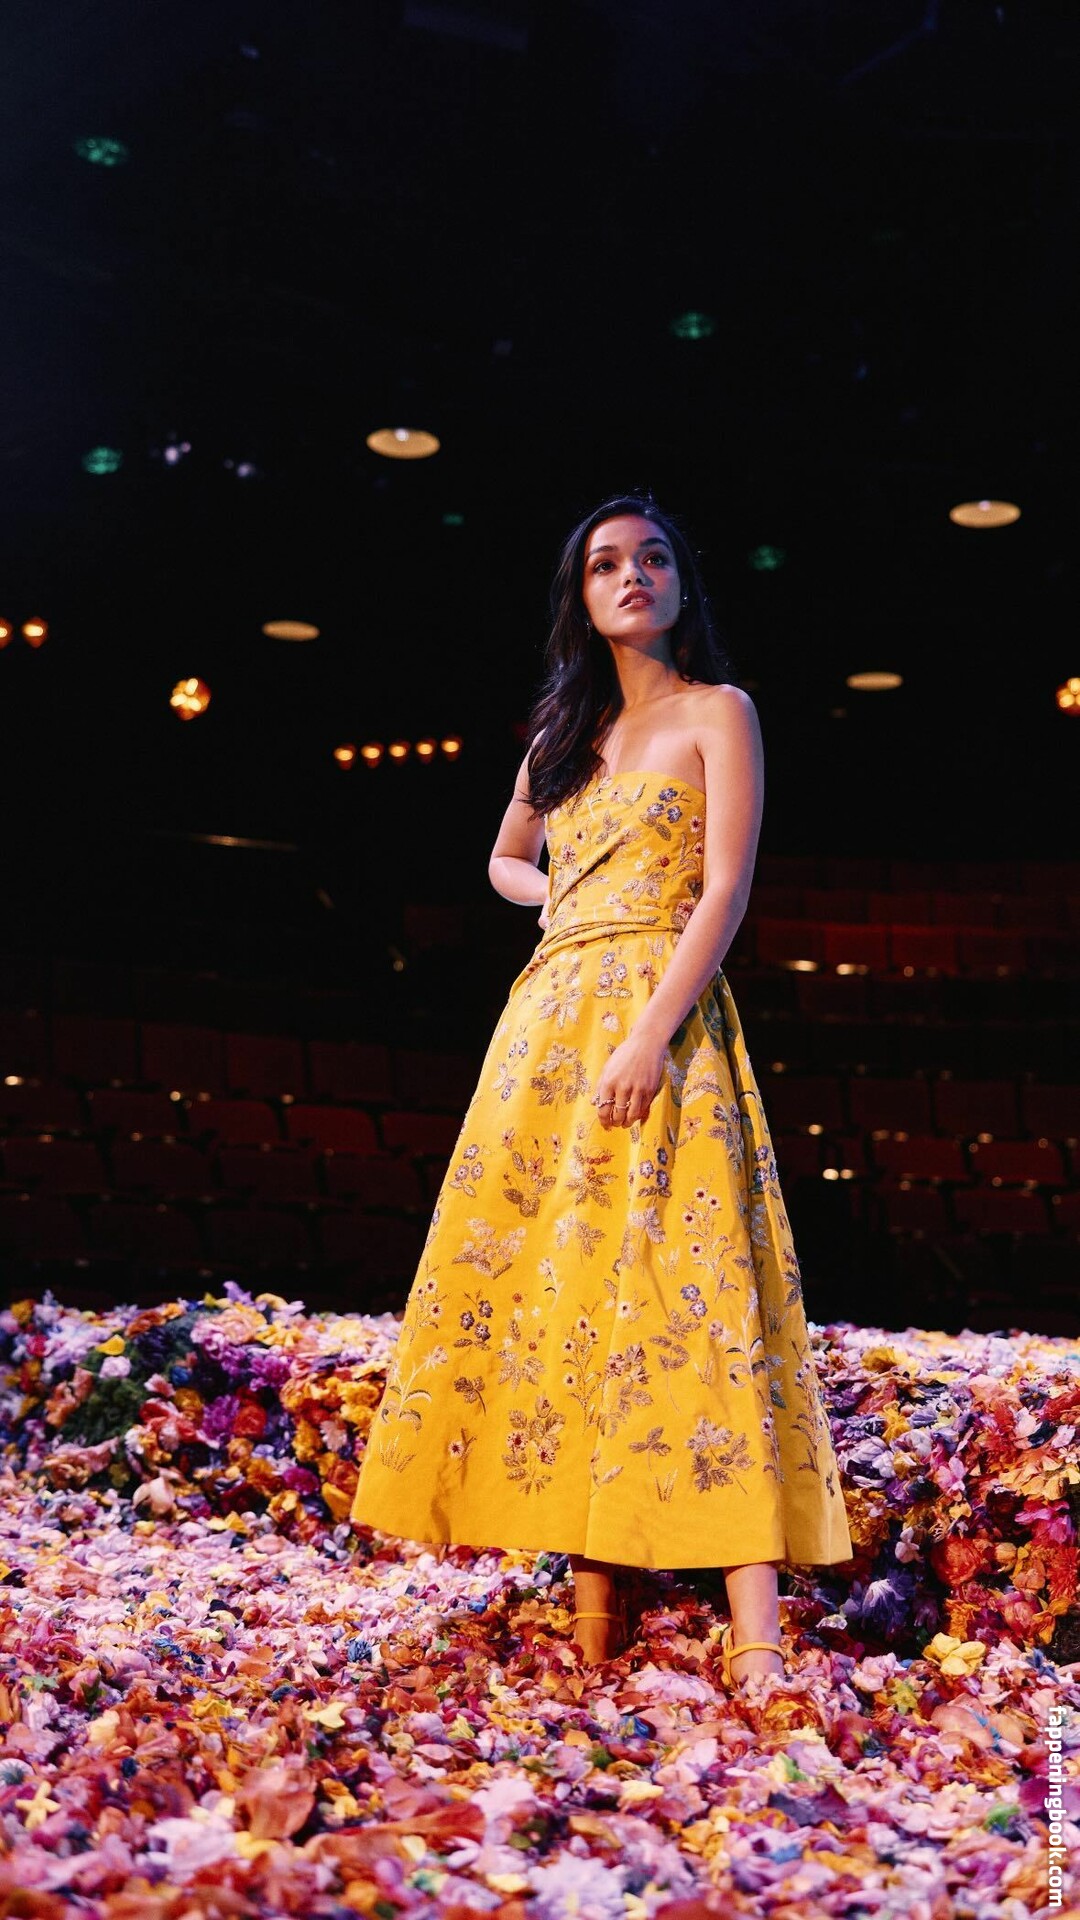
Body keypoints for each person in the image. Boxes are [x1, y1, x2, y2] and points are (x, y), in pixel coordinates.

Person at [350, 490, 853, 1682]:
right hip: (546, 1020)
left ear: (681, 583)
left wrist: (649, 1034)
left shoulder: (718, 711)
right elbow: (504, 857)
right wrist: (560, 901)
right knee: (572, 1291)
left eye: (654, 558)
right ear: (579, 597)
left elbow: (725, 890)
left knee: (691, 1283)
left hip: (659, 1014)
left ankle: (757, 1629)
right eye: (606, 564)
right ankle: (593, 1603)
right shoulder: (558, 738)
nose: (633, 576)